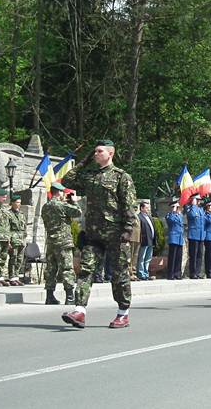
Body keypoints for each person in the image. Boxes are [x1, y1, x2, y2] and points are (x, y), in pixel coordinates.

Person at [61, 139, 137, 329]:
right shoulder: (91, 176)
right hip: (93, 235)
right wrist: (84, 161)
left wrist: (128, 230)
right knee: (86, 270)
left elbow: (129, 205)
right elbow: (67, 180)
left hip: (115, 234)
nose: (96, 154)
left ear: (110, 153)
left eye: (99, 151)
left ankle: (123, 313)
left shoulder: (121, 177)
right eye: (94, 151)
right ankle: (79, 311)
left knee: (119, 275)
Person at [41, 182, 80, 305]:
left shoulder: (45, 206)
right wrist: (74, 201)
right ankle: (69, 297)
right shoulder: (62, 205)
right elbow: (78, 212)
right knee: (67, 268)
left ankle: (49, 296)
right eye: (63, 192)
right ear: (59, 192)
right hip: (63, 242)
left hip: (51, 242)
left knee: (51, 269)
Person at [7, 194, 27, 286]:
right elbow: (7, 228)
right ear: (12, 203)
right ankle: (12, 277)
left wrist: (24, 238)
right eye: (17, 202)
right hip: (13, 239)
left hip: (21, 239)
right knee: (13, 258)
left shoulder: (21, 214)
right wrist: (8, 241)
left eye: (20, 202)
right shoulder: (8, 214)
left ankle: (16, 277)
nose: (19, 204)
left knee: (20, 259)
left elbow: (24, 227)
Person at [184, 193, 205, 279]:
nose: (199, 201)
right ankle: (192, 273)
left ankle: (198, 272)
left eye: (199, 200)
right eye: (197, 200)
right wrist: (193, 205)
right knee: (193, 255)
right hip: (193, 235)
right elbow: (192, 215)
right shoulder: (189, 208)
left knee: (199, 255)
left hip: (200, 236)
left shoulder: (200, 209)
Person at [136, 201, 156, 280]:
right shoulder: (139, 217)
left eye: (148, 207)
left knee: (148, 258)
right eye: (146, 208)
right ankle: (141, 274)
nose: (148, 209)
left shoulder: (149, 217)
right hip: (144, 240)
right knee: (142, 257)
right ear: (142, 208)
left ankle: (146, 273)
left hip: (151, 240)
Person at [166, 199, 184, 280]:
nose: (178, 208)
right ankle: (171, 274)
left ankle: (177, 273)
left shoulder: (179, 215)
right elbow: (171, 221)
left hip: (179, 238)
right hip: (173, 238)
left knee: (179, 257)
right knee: (172, 257)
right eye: (176, 207)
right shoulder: (169, 215)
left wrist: (177, 213)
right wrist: (173, 211)